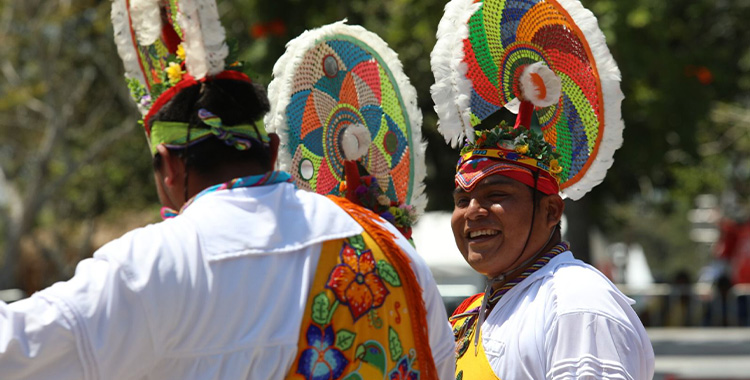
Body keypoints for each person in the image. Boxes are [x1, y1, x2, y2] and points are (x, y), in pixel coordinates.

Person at [0, 2, 455, 379]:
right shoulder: (388, 244)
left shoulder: (156, 264)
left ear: (169, 168)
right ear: (272, 146)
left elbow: (16, 350)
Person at [429, 0, 654, 378]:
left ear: (551, 210)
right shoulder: (470, 313)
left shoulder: (576, 304)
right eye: (462, 199)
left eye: (496, 196)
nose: (472, 212)